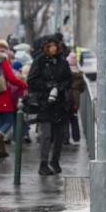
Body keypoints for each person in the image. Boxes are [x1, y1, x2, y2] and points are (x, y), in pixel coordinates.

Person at [28, 37, 72, 175]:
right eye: (50, 46)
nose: (53, 48)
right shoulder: (40, 61)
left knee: (59, 135)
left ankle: (55, 161)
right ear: (45, 47)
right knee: (46, 135)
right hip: (45, 103)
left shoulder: (63, 62)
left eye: (55, 46)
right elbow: (31, 80)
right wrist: (49, 86)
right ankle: (43, 163)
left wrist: (59, 87)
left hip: (60, 103)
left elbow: (68, 79)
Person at [67, 52, 86, 144]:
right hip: (76, 100)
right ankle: (76, 137)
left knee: (65, 120)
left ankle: (65, 138)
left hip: (66, 99)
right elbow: (82, 88)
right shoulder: (79, 74)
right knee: (74, 118)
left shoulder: (65, 72)